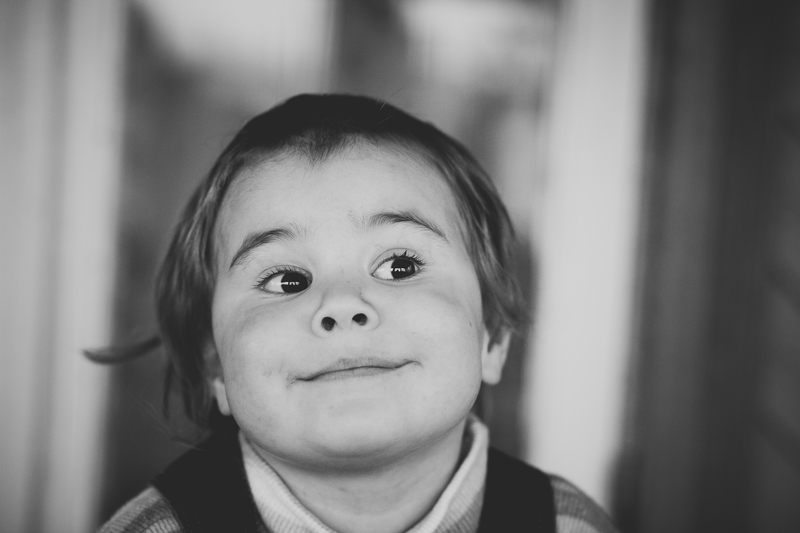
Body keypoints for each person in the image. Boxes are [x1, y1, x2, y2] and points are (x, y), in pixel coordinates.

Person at [97, 94, 618, 533]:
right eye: (287, 280)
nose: (342, 305)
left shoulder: (568, 526)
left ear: (492, 336)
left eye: (400, 266)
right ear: (215, 365)